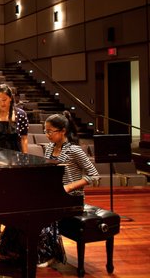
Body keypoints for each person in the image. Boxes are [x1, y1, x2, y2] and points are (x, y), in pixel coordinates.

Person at [36, 111, 99, 267]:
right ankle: (16, 250)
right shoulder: (50, 148)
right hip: (55, 195)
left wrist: (69, 187)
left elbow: (95, 175)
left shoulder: (74, 150)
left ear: (62, 131)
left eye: (50, 131)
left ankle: (50, 254)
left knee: (43, 211)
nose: (47, 134)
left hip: (72, 198)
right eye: (46, 131)